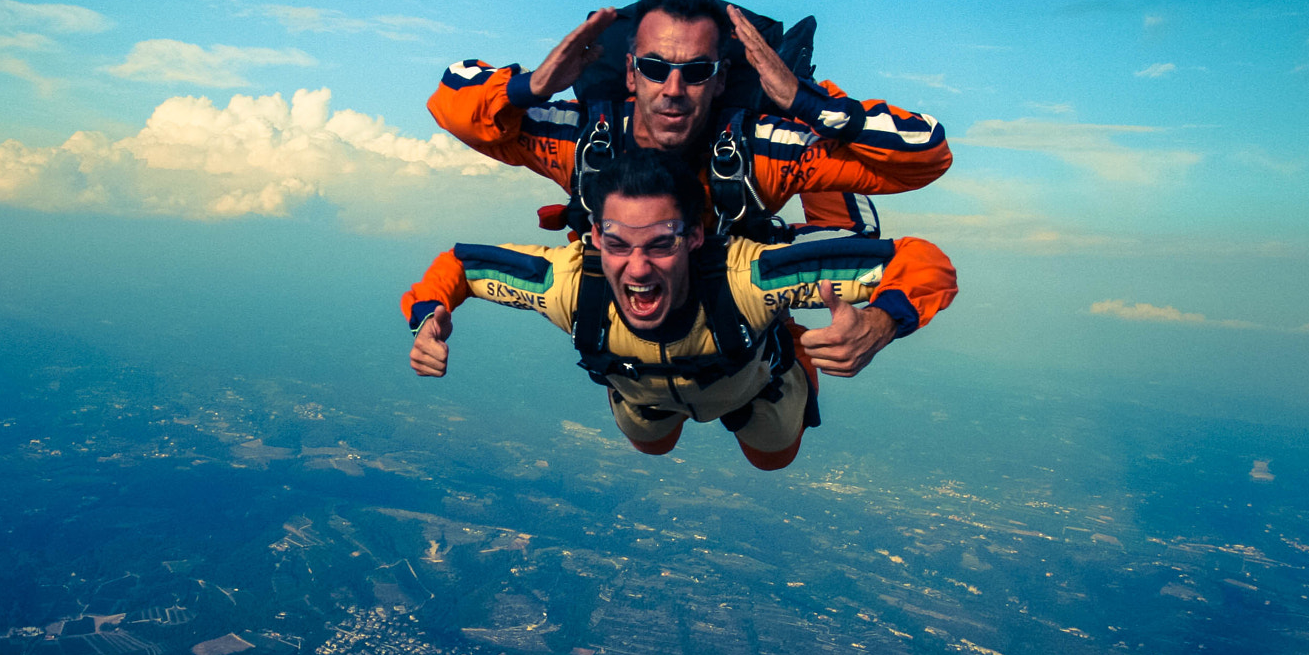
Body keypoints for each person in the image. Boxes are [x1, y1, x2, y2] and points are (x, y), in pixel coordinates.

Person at [403, 148, 956, 471]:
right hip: (645, 392)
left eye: (661, 243)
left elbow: (921, 261)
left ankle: (824, 187)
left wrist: (882, 323)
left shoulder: (748, 277)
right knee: (652, 442)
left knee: (772, 455)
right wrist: (429, 314)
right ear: (593, 236)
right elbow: (464, 266)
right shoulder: (573, 281)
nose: (637, 269)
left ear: (695, 237)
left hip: (752, 382)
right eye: (618, 244)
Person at [428, 0, 951, 239]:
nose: (673, 89)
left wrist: (804, 102)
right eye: (655, 67)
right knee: (649, 429)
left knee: (771, 451)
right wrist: (532, 87)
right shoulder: (586, 140)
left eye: (696, 72)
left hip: (736, 300)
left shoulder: (762, 150)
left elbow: (928, 154)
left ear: (721, 78)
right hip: (640, 321)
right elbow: (451, 101)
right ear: (630, 73)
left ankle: (794, 80)